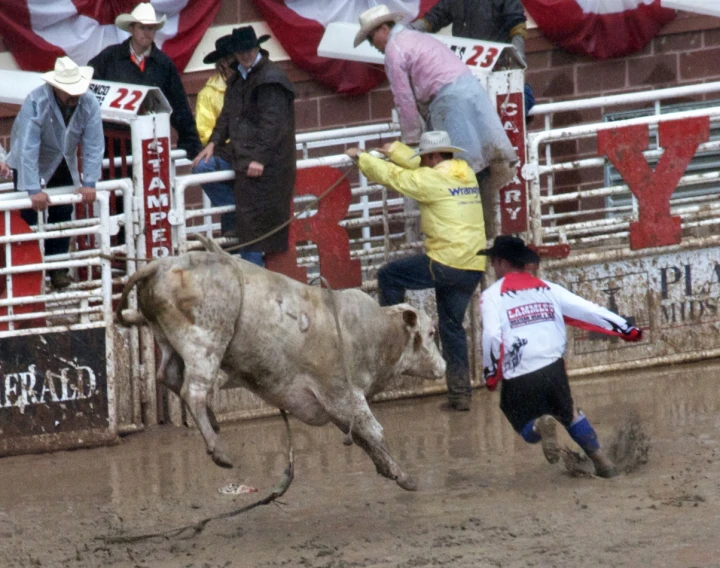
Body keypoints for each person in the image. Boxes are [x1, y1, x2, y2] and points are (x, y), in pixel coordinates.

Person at [479, 236, 643, 477]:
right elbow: (589, 310)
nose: (492, 268)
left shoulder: (491, 295)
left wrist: (491, 373)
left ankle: (539, 425)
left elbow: (492, 336)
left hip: (519, 367)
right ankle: (602, 461)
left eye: (493, 262)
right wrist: (628, 329)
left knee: (519, 415)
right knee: (568, 413)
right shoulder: (548, 288)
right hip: (553, 365)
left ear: (502, 262)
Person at [346, 130, 486, 412]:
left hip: (445, 262)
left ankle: (395, 335)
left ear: (433, 157)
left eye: (424, 157)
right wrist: (396, 151)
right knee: (451, 327)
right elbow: (418, 169)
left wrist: (361, 158)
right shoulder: (465, 172)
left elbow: (396, 177)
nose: (422, 161)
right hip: (472, 265)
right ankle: (460, 393)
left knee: (389, 275)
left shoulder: (431, 179)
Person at [354, 5, 517, 193]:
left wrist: (412, 140)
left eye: (370, 38)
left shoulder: (394, 49)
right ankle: (484, 211)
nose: (372, 44)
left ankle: (471, 209)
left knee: (457, 169)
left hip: (449, 100)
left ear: (383, 29)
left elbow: (404, 99)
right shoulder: (418, 37)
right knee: (482, 160)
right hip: (471, 90)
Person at [193, 26, 296, 267]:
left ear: (257, 48)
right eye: (241, 52)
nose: (246, 55)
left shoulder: (269, 78)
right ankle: (237, 216)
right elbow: (228, 115)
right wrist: (214, 143)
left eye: (249, 50)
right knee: (202, 168)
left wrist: (259, 158)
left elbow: (274, 124)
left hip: (268, 161)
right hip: (245, 153)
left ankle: (254, 279)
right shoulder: (242, 77)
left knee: (251, 227)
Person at [6, 56, 103, 290]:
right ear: (56, 87)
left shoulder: (89, 103)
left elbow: (93, 143)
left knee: (62, 212)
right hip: (30, 161)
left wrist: (89, 181)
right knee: (27, 218)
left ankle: (58, 268)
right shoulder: (36, 102)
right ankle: (28, 272)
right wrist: (33, 188)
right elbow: (28, 146)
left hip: (63, 159)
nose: (74, 95)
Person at [88, 2, 201, 160]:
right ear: (131, 29)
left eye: (151, 28)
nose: (146, 33)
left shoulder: (164, 64)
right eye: (142, 27)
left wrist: (190, 143)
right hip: (112, 147)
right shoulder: (109, 58)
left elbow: (179, 105)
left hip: (151, 145)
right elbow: (89, 91)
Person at [409, 0, 535, 116]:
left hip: (498, 71)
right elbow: (433, 18)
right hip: (467, 75)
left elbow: (517, 24)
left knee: (513, 108)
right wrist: (408, 31)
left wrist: (517, 56)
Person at [192, 34, 242, 236]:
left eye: (231, 59)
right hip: (227, 152)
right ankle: (236, 214)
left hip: (248, 151)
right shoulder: (208, 93)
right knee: (203, 167)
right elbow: (206, 132)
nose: (227, 65)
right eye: (225, 61)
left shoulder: (251, 83)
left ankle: (235, 217)